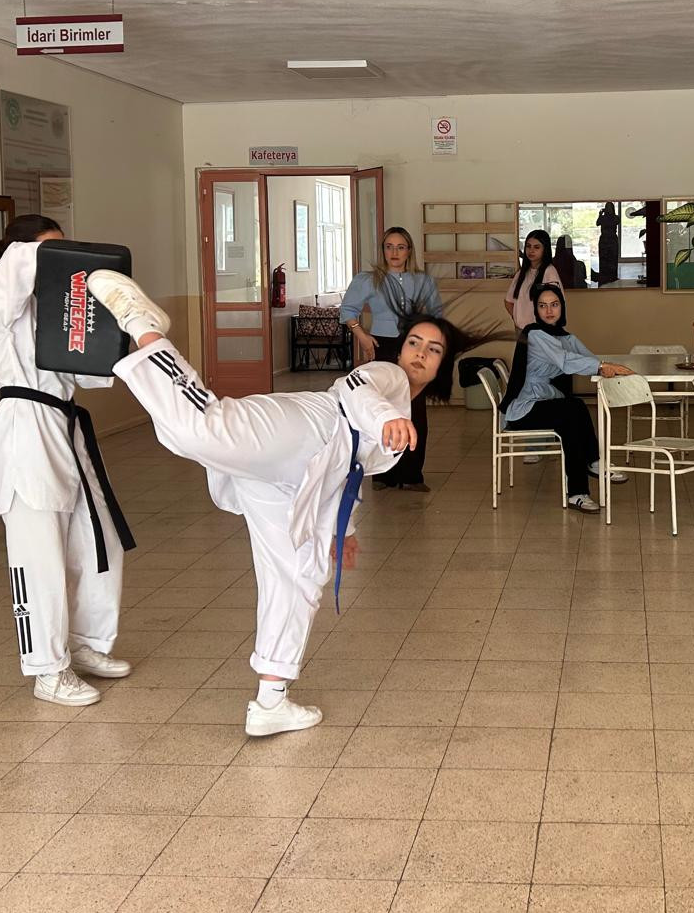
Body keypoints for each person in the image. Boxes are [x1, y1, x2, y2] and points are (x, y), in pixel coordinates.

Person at [88, 269, 457, 736]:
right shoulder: (389, 377)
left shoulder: (402, 406)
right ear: (399, 350)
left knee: (299, 576)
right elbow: (355, 388)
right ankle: (144, 326)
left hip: (299, 479)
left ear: (442, 365)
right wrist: (386, 416)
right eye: (414, 343)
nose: (420, 353)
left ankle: (271, 700)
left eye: (433, 350)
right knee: (198, 430)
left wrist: (343, 532)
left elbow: (348, 469)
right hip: (305, 427)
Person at [0, 215, 137, 707]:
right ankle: (48, 669)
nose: (61, 261)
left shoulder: (57, 307)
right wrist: (73, 261)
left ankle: (86, 643)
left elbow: (87, 374)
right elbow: (23, 263)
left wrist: (117, 328)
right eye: (52, 251)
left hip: (66, 426)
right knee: (38, 552)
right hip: (25, 425)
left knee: (99, 542)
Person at [500, 283, 632, 513]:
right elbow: (566, 360)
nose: (549, 311)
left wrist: (608, 366)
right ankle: (590, 470)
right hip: (524, 407)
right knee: (571, 411)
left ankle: (581, 487)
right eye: (542, 306)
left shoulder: (565, 336)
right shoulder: (536, 334)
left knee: (573, 411)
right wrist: (601, 366)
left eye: (554, 305)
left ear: (562, 307)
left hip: (546, 400)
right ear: (536, 309)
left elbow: (587, 357)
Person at [339, 227, 442, 492]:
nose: (394, 252)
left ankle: (412, 474)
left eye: (400, 247)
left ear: (409, 251)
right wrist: (361, 335)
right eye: (389, 247)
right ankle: (383, 475)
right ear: (383, 250)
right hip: (381, 346)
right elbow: (348, 310)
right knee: (382, 406)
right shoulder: (368, 279)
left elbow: (436, 316)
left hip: (413, 347)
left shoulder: (423, 281)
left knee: (415, 408)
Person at [505, 229, 562, 330]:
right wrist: (518, 319)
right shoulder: (521, 273)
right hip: (521, 330)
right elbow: (508, 301)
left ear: (545, 249)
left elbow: (555, 306)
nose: (531, 250)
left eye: (536, 247)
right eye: (528, 246)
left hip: (542, 331)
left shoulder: (549, 272)